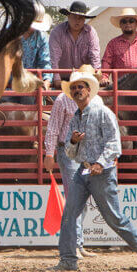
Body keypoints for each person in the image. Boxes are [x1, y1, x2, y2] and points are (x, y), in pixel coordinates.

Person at [50, 67, 137, 271]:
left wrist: (100, 163)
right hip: (83, 171)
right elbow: (71, 153)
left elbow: (114, 144)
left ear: (88, 90)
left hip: (102, 172)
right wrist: (72, 142)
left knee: (114, 218)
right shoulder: (75, 118)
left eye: (80, 87)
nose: (76, 91)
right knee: (70, 212)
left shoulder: (103, 113)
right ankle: (67, 259)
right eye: (73, 88)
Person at [42, 65, 98, 261]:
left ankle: (77, 243)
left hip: (84, 154)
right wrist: (49, 153)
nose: (79, 89)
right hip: (67, 151)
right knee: (75, 197)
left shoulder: (94, 103)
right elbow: (53, 128)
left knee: (80, 198)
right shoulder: (62, 100)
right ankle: (74, 244)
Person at [3, 2, 52, 105]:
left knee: (29, 107)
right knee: (4, 109)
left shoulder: (41, 37)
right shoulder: (10, 32)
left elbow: (45, 62)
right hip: (9, 82)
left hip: (30, 84)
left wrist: (46, 81)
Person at [99, 8, 137, 87]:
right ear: (120, 25)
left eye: (131, 21)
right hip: (121, 88)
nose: (128, 24)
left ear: (136, 24)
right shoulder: (113, 43)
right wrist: (104, 77)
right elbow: (107, 62)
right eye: (124, 21)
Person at [48, 0, 100, 87]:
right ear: (68, 16)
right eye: (74, 17)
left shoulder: (91, 32)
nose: (77, 20)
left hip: (84, 79)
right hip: (63, 79)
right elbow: (54, 58)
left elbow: (94, 56)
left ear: (84, 19)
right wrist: (57, 79)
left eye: (81, 18)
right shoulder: (57, 32)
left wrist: (96, 76)